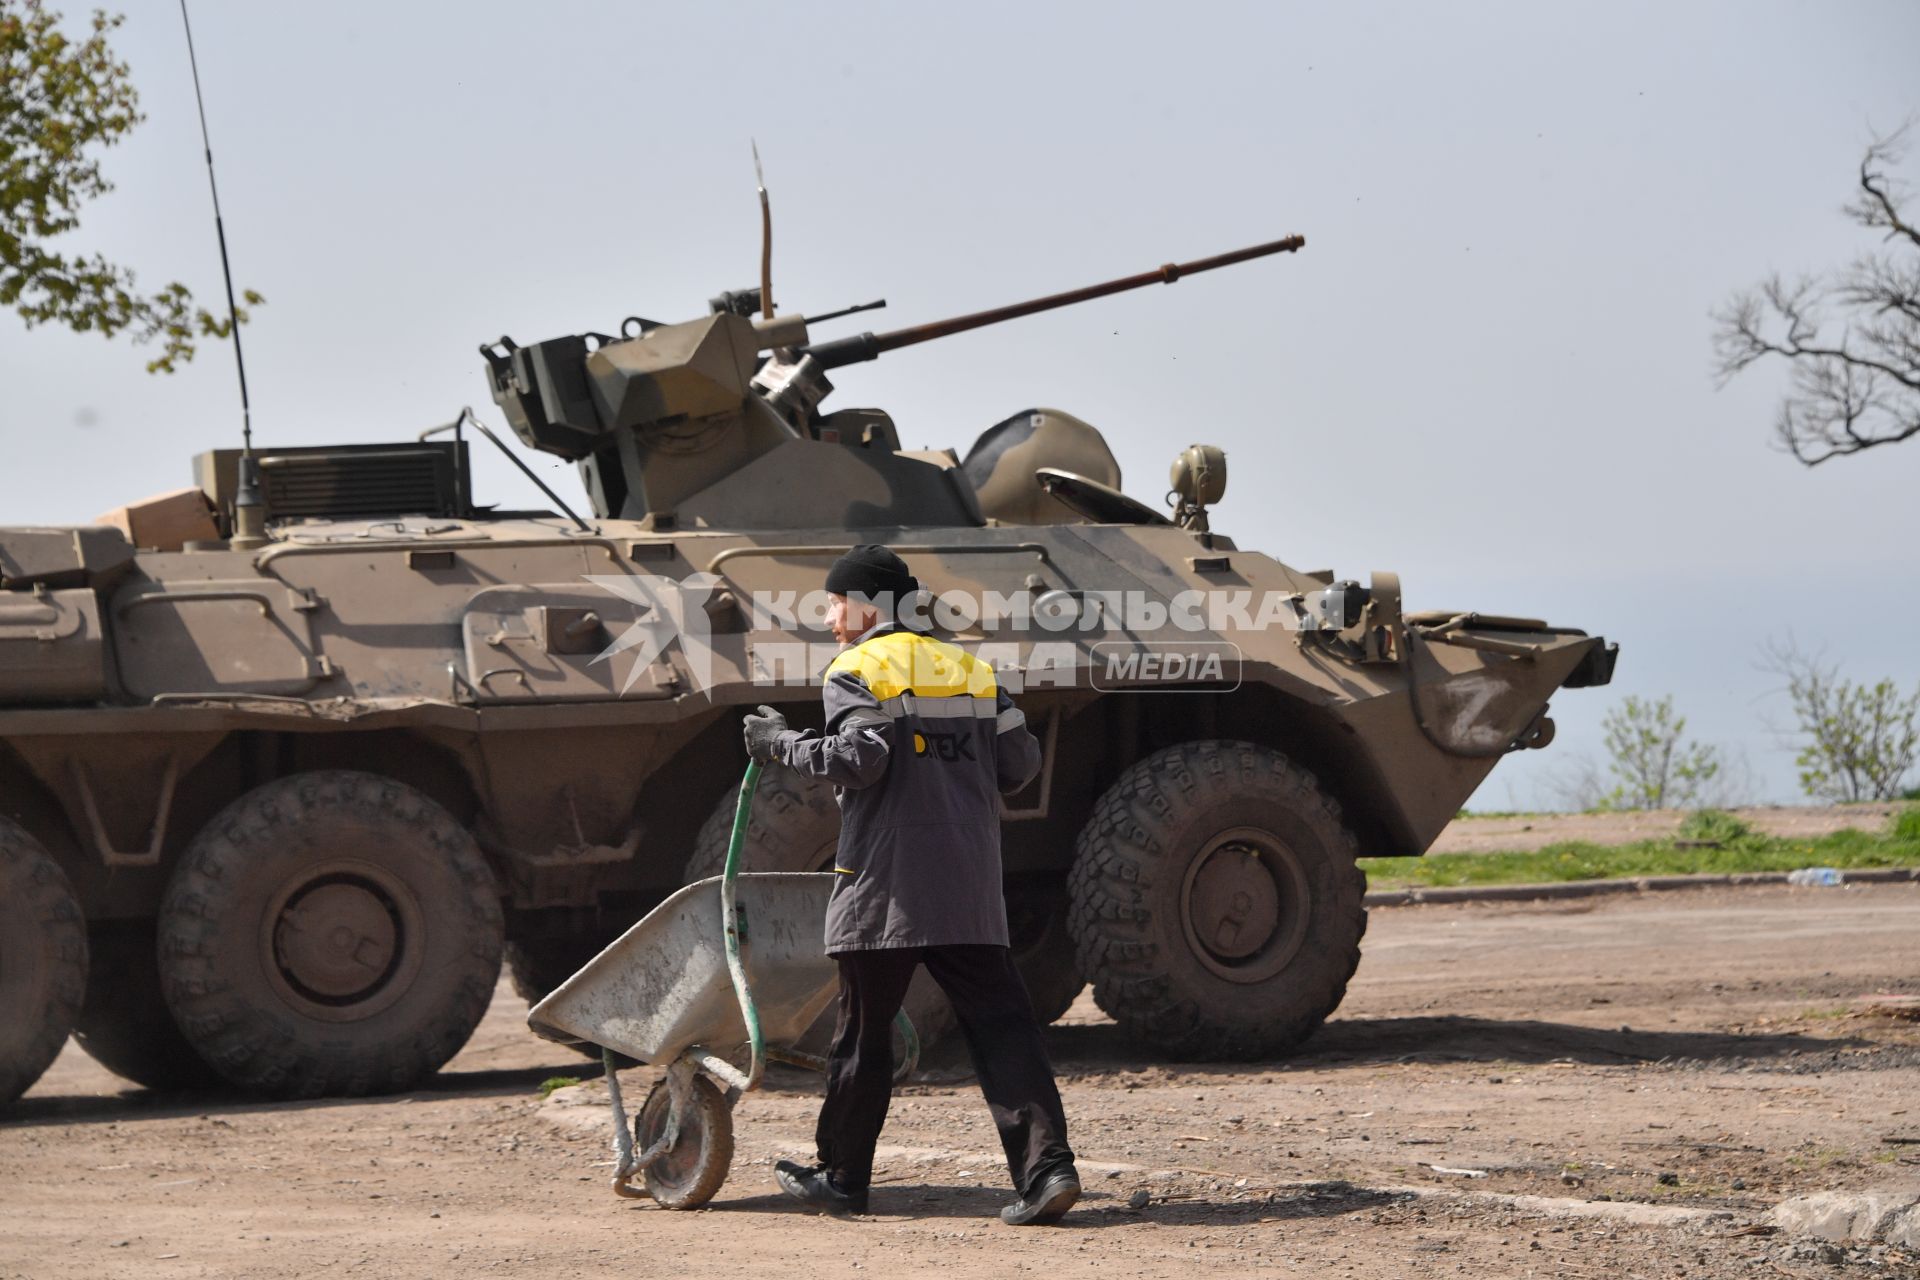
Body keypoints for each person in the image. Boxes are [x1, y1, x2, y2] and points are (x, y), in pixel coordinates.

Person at [741, 543, 1079, 1225]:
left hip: (885, 888)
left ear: (867, 607)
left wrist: (780, 744)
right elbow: (1019, 762)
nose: (832, 620)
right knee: (1004, 1029)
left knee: (863, 1037)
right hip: (969, 887)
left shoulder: (857, 668)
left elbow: (860, 758)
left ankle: (843, 1178)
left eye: (836, 605)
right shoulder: (973, 669)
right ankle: (1047, 1172)